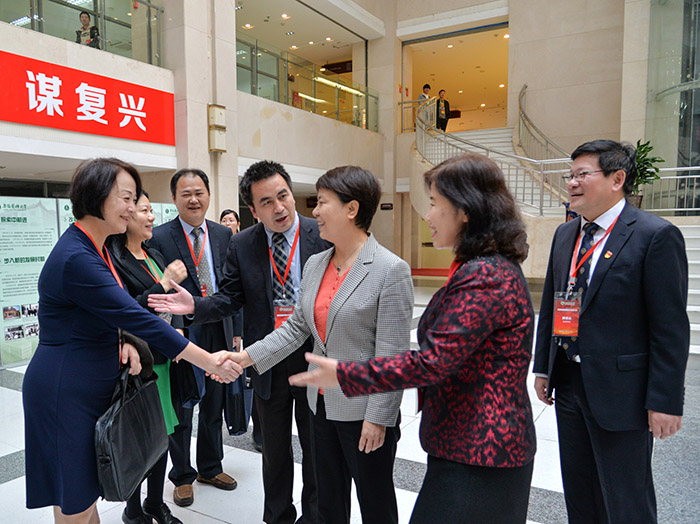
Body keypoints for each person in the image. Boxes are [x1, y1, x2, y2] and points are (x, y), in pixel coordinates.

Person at [287, 154, 536, 524]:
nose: (428, 215)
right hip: (467, 444)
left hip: (482, 449)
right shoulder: (481, 267)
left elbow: (433, 362)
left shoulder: (486, 274)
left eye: (434, 203)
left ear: (465, 210)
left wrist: (346, 375)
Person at [22, 158, 241, 524]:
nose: (133, 207)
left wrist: (123, 340)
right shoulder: (77, 256)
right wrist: (207, 360)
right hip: (66, 390)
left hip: (90, 384)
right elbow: (135, 315)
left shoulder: (96, 247)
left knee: (85, 499)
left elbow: (106, 312)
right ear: (96, 197)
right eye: (126, 198)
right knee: (74, 506)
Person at [214, 166, 414, 524]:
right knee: (328, 504)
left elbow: (393, 356)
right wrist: (244, 358)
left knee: (376, 505)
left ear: (351, 209)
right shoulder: (317, 263)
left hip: (362, 411)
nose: (314, 211)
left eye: (322, 202)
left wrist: (378, 418)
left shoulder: (389, 270)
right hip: (320, 405)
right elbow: (295, 328)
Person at [150, 160, 328, 524]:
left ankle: (315, 518)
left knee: (316, 449)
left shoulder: (321, 234)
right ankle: (278, 517)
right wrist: (194, 306)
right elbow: (230, 297)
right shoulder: (244, 243)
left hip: (316, 358)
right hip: (266, 358)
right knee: (274, 451)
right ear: (253, 209)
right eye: (266, 202)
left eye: (283, 196)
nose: (278, 208)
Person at [533, 140, 690, 523]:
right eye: (570, 175)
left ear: (617, 179)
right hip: (569, 382)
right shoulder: (565, 235)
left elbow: (669, 328)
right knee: (579, 491)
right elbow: (553, 304)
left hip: (623, 393)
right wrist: (543, 366)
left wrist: (665, 400)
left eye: (582, 174)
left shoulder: (654, 235)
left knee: (625, 498)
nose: (572, 182)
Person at [146, 169, 237, 507]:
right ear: (174, 198)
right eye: (186, 194)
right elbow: (156, 289)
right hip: (181, 331)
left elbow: (233, 286)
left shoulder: (223, 234)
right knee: (183, 404)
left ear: (209, 195)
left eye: (199, 192)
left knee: (214, 401)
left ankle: (210, 467)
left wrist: (237, 332)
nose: (194, 199)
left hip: (218, 325)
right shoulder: (159, 237)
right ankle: (182, 475)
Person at [106, 191, 187, 524]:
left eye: (151, 210)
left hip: (165, 358)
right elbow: (127, 311)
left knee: (162, 434)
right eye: (144, 210)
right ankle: (133, 509)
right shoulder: (115, 260)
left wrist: (178, 329)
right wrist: (164, 283)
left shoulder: (153, 254)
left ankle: (155, 503)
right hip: (140, 360)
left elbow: (173, 301)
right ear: (126, 217)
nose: (152, 217)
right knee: (140, 436)